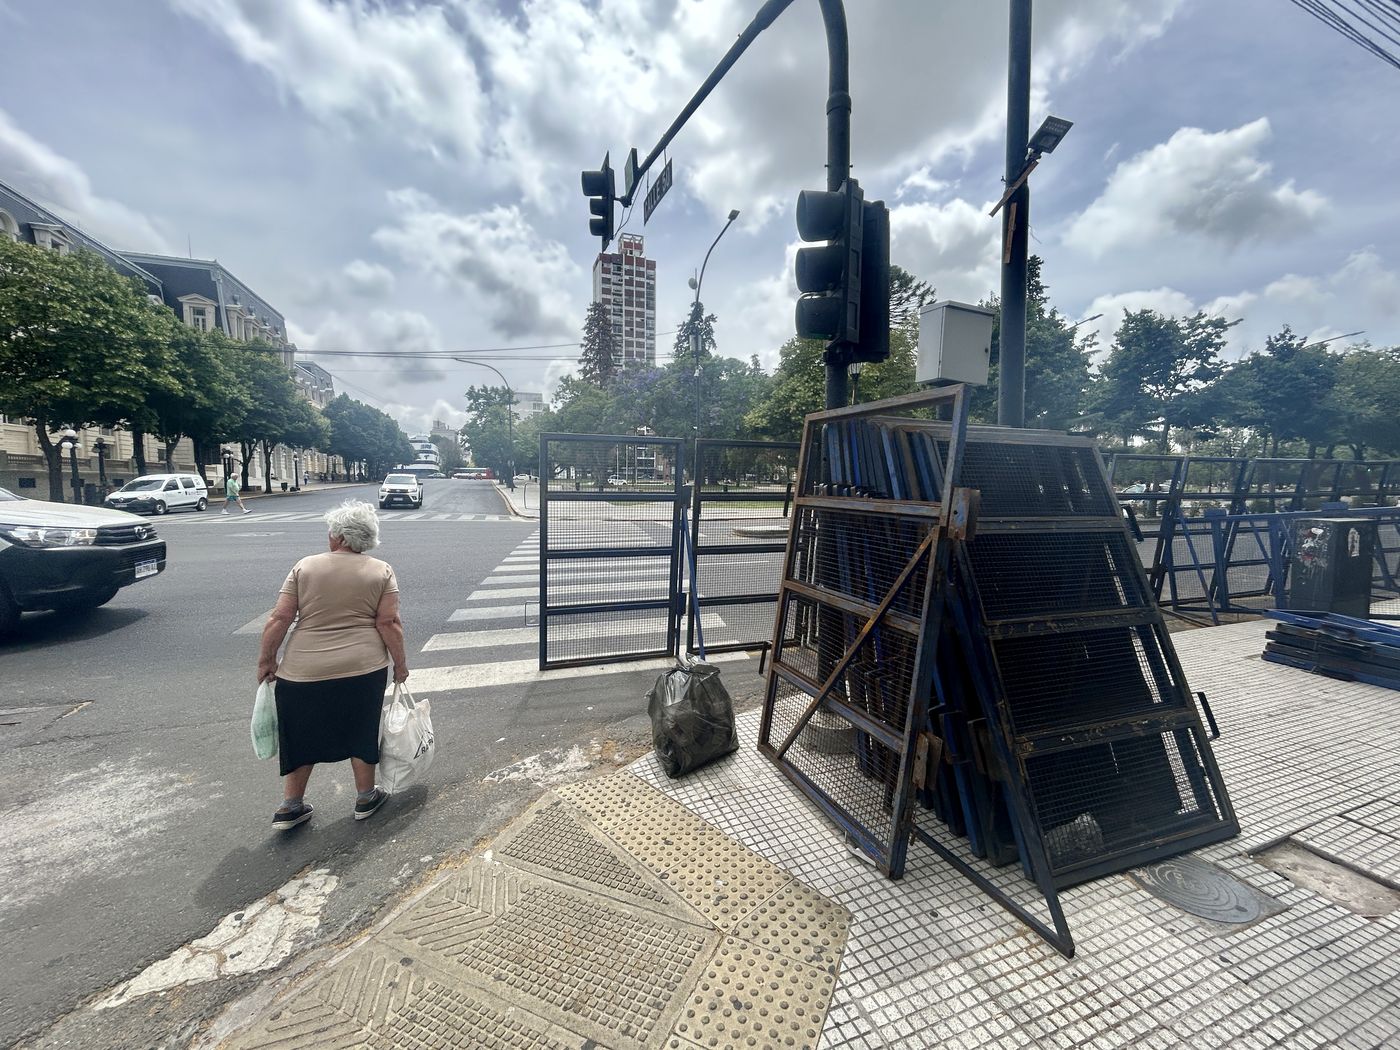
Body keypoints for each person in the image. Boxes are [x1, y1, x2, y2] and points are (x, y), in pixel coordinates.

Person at [257, 500, 409, 830]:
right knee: (361, 729)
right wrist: (400, 665)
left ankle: (291, 806)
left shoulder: (305, 567)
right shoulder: (381, 571)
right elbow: (389, 623)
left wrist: (267, 661)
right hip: (363, 670)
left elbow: (280, 618)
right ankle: (366, 796)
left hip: (301, 671)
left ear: (338, 536)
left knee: (300, 734)